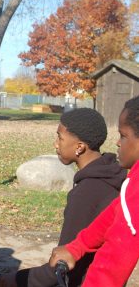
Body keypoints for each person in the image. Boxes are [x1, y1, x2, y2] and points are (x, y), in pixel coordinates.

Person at [0, 108, 127, 287]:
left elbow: (63, 264)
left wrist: (17, 279)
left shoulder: (86, 193)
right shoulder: (112, 177)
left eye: (60, 137)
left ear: (79, 147)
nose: (56, 144)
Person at [49, 95, 139, 286]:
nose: (117, 142)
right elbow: (115, 212)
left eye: (123, 135)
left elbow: (114, 260)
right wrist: (77, 247)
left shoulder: (86, 193)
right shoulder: (131, 178)